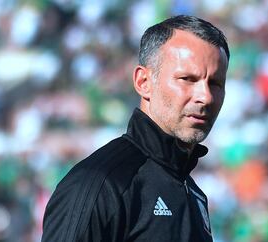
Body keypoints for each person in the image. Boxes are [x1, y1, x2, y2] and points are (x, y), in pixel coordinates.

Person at [41, 15, 230, 242]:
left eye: (215, 83)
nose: (205, 97)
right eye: (187, 79)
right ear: (144, 82)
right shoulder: (101, 184)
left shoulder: (193, 191)